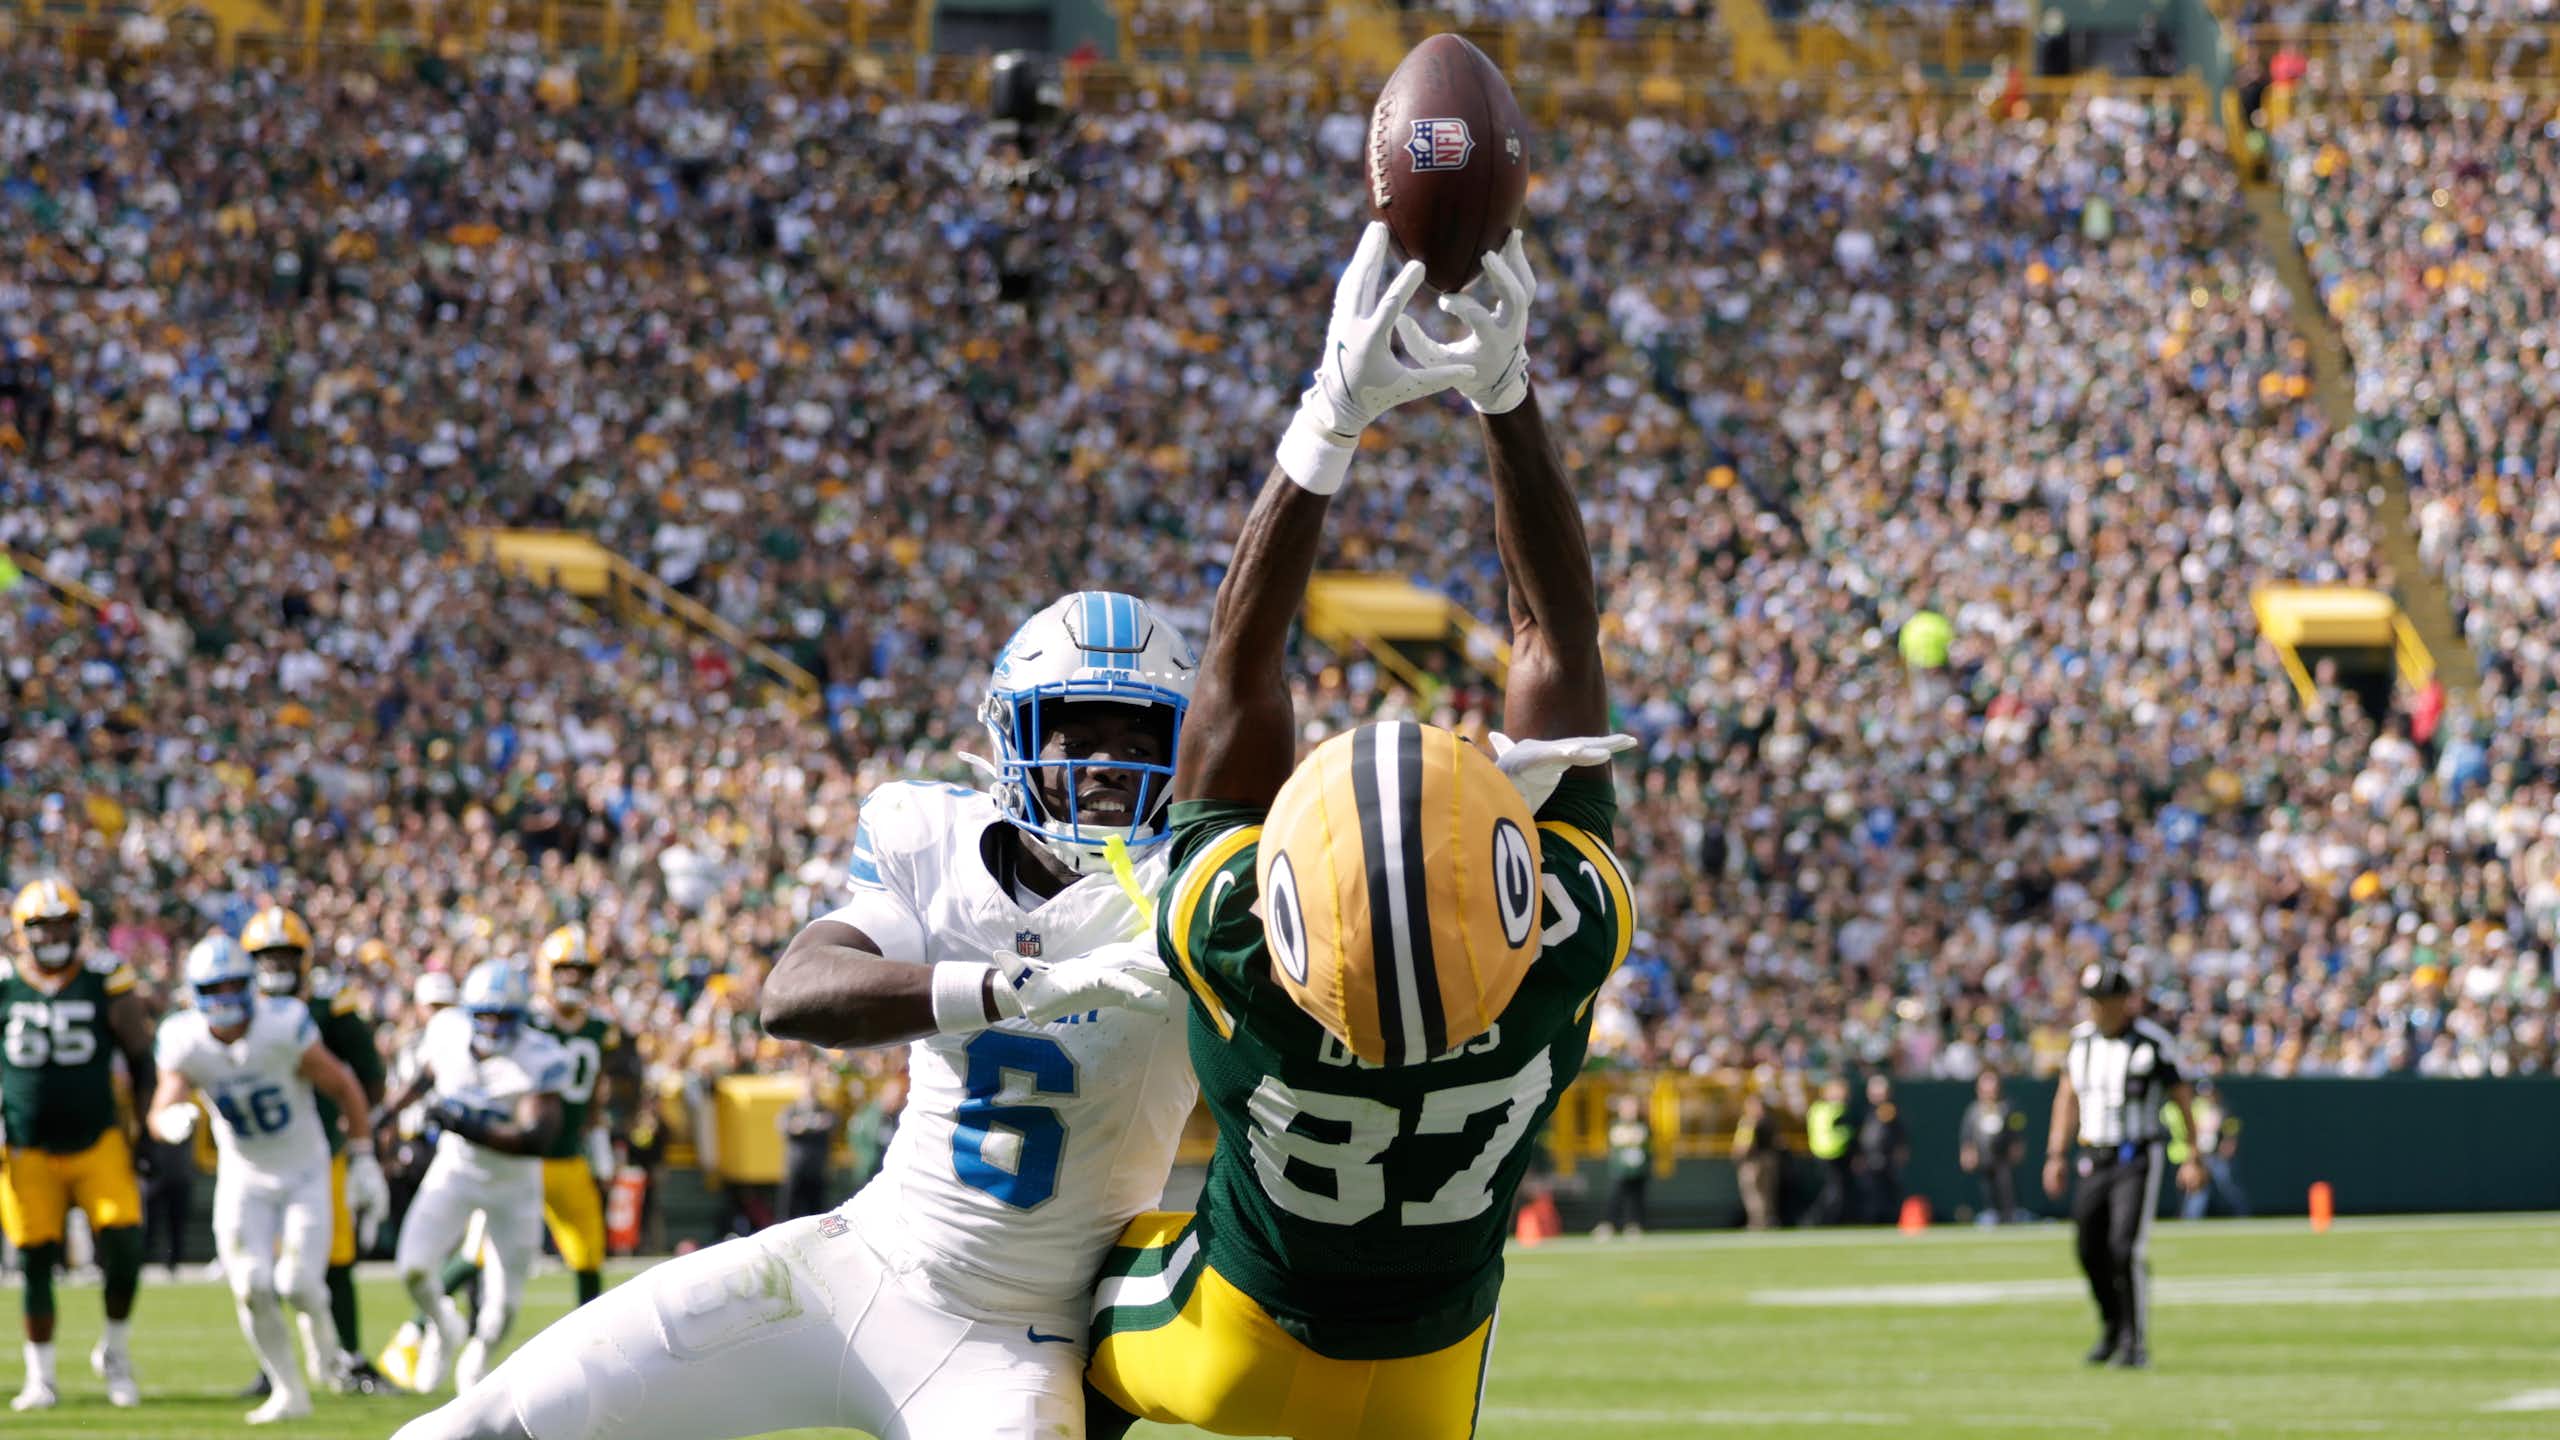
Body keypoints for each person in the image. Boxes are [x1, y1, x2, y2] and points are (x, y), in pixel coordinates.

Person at [391, 590, 1201, 1440]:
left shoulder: (1196, 891)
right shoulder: (930, 834)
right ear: (1015, 738)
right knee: (476, 1427)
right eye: (1080, 735)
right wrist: (1020, 986)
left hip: (1017, 1341)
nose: (1112, 763)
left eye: (1141, 738)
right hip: (860, 1264)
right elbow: (799, 992)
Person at [1084, 223, 1637, 1440]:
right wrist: (1507, 393)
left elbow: (1234, 681)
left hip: (1238, 1342)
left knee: (1037, 1314)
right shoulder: (1561, 941)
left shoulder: (1239, 943)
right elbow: (1556, 642)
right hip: (1435, 1364)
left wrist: (1327, 421)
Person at [145, 934, 381, 1424]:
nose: (228, 997)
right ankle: (289, 1391)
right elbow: (161, 1104)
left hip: (303, 1170)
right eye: (217, 987)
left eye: (236, 984)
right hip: (244, 1174)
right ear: (197, 992)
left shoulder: (283, 1024)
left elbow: (344, 1085)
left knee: (298, 1284)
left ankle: (327, 1344)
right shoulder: (184, 1037)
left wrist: (362, 1157)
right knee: (251, 1283)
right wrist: (170, 1121)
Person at [374, 959, 570, 1395]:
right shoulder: (447, 1031)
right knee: (412, 1268)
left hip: (513, 1185)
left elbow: (535, 1138)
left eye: (504, 1016)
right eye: (485, 1015)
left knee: (502, 1308)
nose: (494, 1025)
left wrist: (466, 1124)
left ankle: (474, 1370)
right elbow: (424, 1078)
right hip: (457, 1170)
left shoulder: (539, 1057)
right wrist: (385, 1116)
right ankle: (445, 1325)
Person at [3, 879, 157, 1412]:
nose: (52, 935)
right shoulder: (5, 984)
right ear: (22, 932)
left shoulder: (103, 979)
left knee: (124, 1242)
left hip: (98, 1140)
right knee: (36, 1256)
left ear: (78, 926)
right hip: (26, 1148)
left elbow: (141, 1055)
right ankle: (40, 1376)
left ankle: (114, 1351)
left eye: (62, 924)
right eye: (41, 926)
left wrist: (145, 1131)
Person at [234, 905, 395, 1397]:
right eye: (266, 957)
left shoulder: (331, 1004)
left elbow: (368, 1077)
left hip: (323, 1150)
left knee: (335, 1255)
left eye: (286, 956)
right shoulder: (239, 1008)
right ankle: (274, 1365)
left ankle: (347, 1354)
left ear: (304, 959)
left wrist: (356, 1130)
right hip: (262, 1156)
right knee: (264, 1262)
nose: (276, 966)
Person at [2043, 961, 2208, 1369]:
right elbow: (2067, 1097)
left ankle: (2135, 1343)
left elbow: (2182, 1097)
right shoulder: (2080, 1043)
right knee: (2088, 1248)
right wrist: (2055, 1154)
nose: (2097, 1008)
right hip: (2093, 1155)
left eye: (2104, 1000)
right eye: (2092, 1000)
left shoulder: (2152, 1043)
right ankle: (2112, 1325)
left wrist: (2192, 1153)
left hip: (2136, 1156)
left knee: (2125, 1248)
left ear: (2124, 1002)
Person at [1958, 1069, 2026, 1225]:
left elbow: (2017, 1130)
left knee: (2006, 1185)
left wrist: (2017, 1146)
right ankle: (1991, 1213)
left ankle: (2010, 1214)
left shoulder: (2009, 1107)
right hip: (1984, 1157)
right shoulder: (1974, 1110)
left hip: (2003, 1157)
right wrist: (1967, 1151)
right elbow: (1967, 1134)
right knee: (1987, 1187)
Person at [778, 1075, 838, 1221]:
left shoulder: (824, 1110)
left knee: (816, 1213)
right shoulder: (792, 1110)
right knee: (789, 1213)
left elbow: (832, 1123)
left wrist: (816, 1124)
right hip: (796, 1169)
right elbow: (785, 1126)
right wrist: (803, 1125)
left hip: (816, 1169)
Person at [1853, 1073, 1909, 1225]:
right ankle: (1871, 1220)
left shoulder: (1891, 1110)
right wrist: (1859, 1156)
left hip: (1887, 1158)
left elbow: (1900, 1134)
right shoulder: (1865, 1111)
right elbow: (1861, 1136)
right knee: (1870, 1193)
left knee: (1889, 1192)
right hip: (1869, 1159)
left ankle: (1890, 1220)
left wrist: (1900, 1152)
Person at [1595, 1094, 1652, 1240]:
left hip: (1638, 1169)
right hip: (1620, 1169)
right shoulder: (1615, 1125)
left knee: (1636, 1199)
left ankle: (1633, 1225)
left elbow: (1645, 1143)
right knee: (1615, 1197)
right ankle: (1608, 1224)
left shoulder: (1643, 1125)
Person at [1805, 1076, 1853, 1226]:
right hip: (1832, 1154)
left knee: (1833, 1190)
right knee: (1834, 1191)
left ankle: (1822, 1219)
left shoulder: (1817, 1108)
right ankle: (1821, 1219)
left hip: (1823, 1153)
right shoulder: (1835, 1109)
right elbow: (1845, 1131)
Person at [1733, 1092, 1783, 1231]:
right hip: (1769, 1159)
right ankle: (1767, 1220)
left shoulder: (1749, 1122)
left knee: (1755, 1193)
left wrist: (1739, 1157)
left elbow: (1744, 1145)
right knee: (1765, 1193)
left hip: (1754, 1161)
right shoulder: (1770, 1120)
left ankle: (1758, 1223)